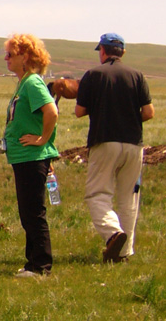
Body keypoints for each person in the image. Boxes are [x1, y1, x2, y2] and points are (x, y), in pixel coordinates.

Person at [75, 32, 154, 263]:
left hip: (104, 141)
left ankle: (112, 234)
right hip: (133, 144)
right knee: (128, 198)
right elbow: (149, 112)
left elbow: (79, 111)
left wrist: (102, 109)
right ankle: (123, 253)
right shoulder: (137, 75)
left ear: (102, 50)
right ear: (123, 53)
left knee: (98, 194)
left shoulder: (93, 74)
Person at [1, 33, 59, 277]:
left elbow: (52, 112)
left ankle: (40, 265)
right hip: (24, 158)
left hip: (32, 157)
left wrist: (43, 140)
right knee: (28, 211)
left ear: (25, 57)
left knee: (33, 212)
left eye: (10, 55)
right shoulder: (24, 82)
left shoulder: (33, 83)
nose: (6, 59)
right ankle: (31, 263)